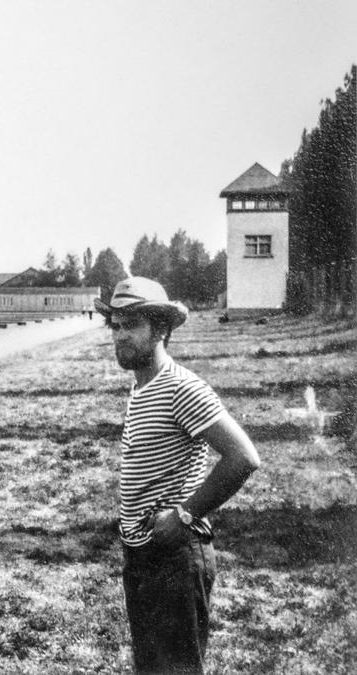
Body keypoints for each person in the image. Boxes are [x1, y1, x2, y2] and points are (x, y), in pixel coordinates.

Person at [95, 277, 261, 674]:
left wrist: (184, 514)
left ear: (162, 329)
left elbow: (243, 456)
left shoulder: (180, 388)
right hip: (143, 558)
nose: (120, 336)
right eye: (115, 326)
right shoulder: (141, 388)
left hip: (176, 560)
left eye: (131, 325)